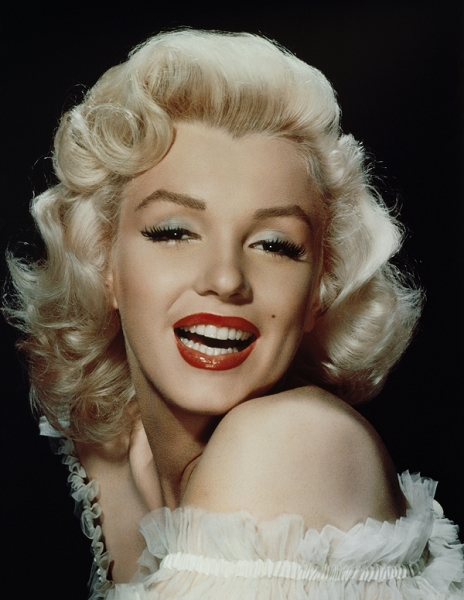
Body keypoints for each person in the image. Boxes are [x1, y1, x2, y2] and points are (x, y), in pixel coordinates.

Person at [5, 29, 463, 599]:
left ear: (320, 290)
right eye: (174, 232)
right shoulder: (107, 447)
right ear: (103, 261)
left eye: (275, 244)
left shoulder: (294, 444)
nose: (225, 278)